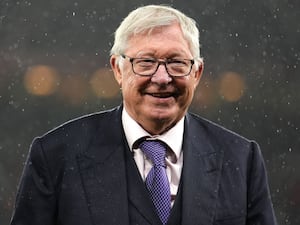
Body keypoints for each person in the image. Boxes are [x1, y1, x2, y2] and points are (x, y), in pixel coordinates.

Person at [10, 4, 277, 225]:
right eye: (146, 62)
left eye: (176, 62)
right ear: (117, 69)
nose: (162, 78)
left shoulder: (242, 159)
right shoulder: (55, 155)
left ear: (197, 73)